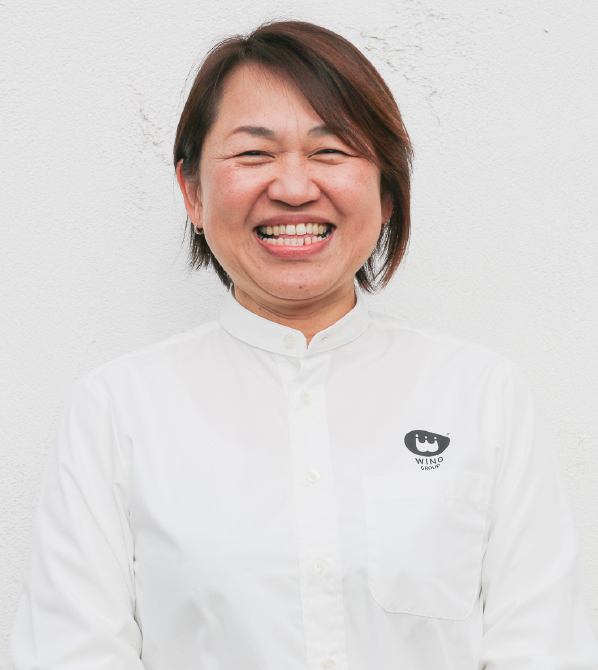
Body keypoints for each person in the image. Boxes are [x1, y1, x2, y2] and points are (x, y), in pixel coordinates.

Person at [10, 20, 598, 670]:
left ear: (388, 192)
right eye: (253, 154)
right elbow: (71, 653)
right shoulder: (116, 410)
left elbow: (543, 649)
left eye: (330, 151)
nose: (293, 188)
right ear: (193, 193)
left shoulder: (483, 396)